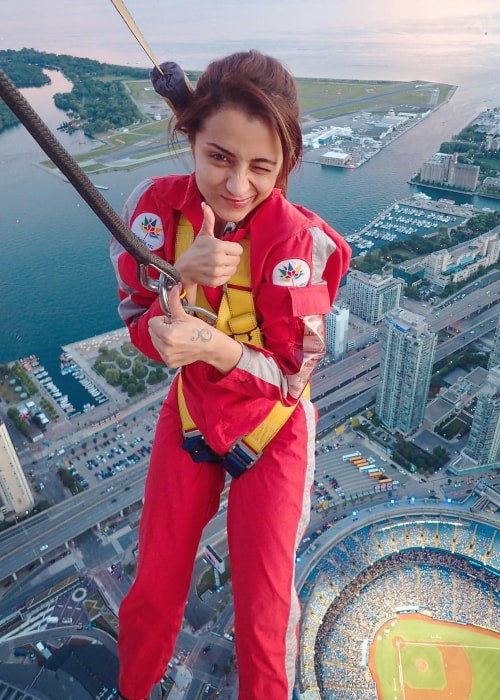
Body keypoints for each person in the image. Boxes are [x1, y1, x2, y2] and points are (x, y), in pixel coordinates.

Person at [111, 50, 351, 700]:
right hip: (193, 413)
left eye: (261, 167)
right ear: (191, 138)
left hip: (272, 432)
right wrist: (175, 286)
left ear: (285, 166)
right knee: (152, 592)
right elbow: (138, 316)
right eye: (219, 157)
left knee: (264, 625)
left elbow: (291, 378)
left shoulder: (297, 248)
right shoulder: (156, 215)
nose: (238, 184)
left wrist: (211, 349)